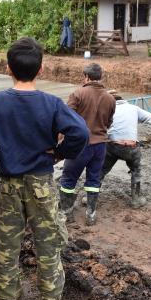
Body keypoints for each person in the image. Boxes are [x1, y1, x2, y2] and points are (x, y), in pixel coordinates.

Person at [0, 37, 88, 300]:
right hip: (42, 184)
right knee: (47, 239)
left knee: (8, 241)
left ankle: (8, 295)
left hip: (9, 184)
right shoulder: (51, 103)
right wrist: (59, 153)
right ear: (41, 70)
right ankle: (49, 296)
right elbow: (80, 132)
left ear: (8, 69)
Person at [59, 63, 115, 226]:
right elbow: (108, 123)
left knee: (68, 180)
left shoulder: (78, 94)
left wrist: (59, 139)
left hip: (79, 147)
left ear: (87, 77)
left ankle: (67, 213)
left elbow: (66, 120)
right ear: (100, 77)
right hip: (100, 147)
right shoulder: (110, 98)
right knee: (93, 180)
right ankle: (91, 215)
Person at [98, 90, 151, 208]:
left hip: (112, 146)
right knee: (136, 170)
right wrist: (147, 138)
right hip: (132, 147)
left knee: (100, 171)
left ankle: (92, 198)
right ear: (122, 99)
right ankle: (136, 200)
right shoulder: (133, 108)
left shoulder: (107, 109)